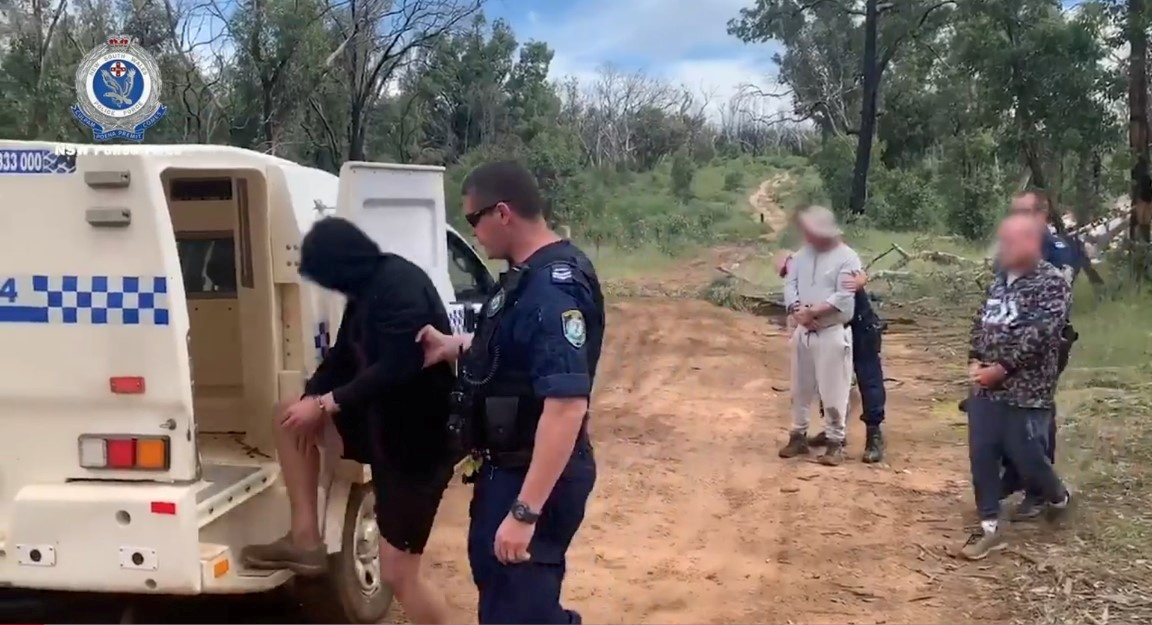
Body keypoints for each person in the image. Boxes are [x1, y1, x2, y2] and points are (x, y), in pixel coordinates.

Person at [240, 217, 457, 624]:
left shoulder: (399, 286)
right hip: (383, 431)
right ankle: (305, 538)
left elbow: (400, 363)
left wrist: (326, 405)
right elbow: (341, 358)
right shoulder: (366, 290)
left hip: (418, 444)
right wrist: (311, 397)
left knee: (400, 574)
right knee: (287, 414)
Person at [415, 161, 604, 624]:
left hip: (531, 474)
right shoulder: (527, 279)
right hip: (510, 468)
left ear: (502, 213)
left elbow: (565, 407)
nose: (473, 233)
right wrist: (456, 345)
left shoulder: (551, 289)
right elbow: (512, 351)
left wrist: (525, 511)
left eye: (473, 220)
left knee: (520, 611)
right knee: (508, 602)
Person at [961, 214, 1072, 560]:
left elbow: (1042, 334)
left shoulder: (1052, 283)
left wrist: (1003, 368)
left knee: (1027, 456)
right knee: (982, 452)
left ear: (1032, 243)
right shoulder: (1000, 280)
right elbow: (983, 321)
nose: (1004, 247)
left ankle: (1057, 496)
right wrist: (975, 358)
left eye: (1012, 241)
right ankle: (989, 526)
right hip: (986, 388)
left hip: (1027, 389)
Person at [993, 190, 1080, 519]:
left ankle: (1039, 491)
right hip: (1008, 344)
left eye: (1026, 212)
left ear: (1043, 215)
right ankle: (1017, 475)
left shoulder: (1056, 251)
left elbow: (1052, 312)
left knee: (1036, 418)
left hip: (1043, 347)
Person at [775, 252, 887, 463]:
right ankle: (832, 431)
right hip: (826, 324)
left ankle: (874, 434)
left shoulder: (835, 257)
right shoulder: (803, 261)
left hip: (858, 322)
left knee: (868, 376)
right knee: (825, 376)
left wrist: (812, 314)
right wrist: (804, 316)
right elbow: (791, 286)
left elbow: (855, 280)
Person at [778, 205, 863, 466]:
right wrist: (797, 310)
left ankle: (835, 441)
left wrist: (814, 311)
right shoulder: (801, 256)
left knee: (833, 391)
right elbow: (789, 284)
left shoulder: (848, 258)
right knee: (800, 388)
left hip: (831, 331)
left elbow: (844, 295)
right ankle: (798, 435)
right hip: (804, 331)